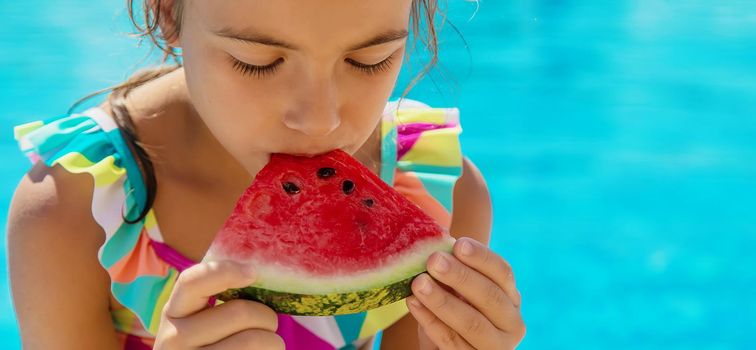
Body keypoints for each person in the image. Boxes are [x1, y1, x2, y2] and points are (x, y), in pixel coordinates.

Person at [7, 0, 525, 349]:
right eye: (258, 61)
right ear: (167, 10)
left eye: (369, 59)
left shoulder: (437, 193)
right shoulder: (75, 211)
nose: (320, 120)